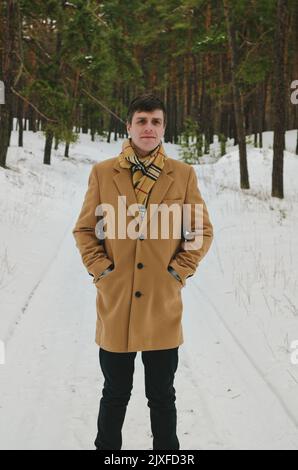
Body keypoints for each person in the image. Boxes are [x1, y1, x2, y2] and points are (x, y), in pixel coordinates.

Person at [72, 93, 213, 450]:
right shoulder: (104, 173)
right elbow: (86, 230)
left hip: (162, 306)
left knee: (162, 396)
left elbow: (199, 231)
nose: (148, 128)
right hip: (116, 303)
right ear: (129, 126)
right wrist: (101, 271)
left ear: (164, 128)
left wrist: (178, 272)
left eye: (155, 122)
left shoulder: (182, 175)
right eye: (142, 121)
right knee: (114, 393)